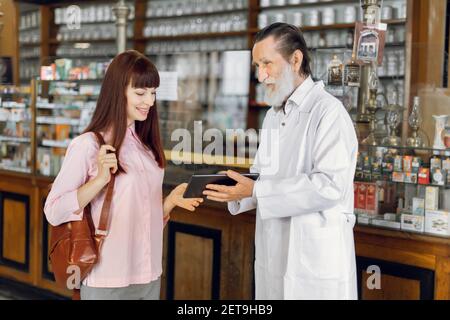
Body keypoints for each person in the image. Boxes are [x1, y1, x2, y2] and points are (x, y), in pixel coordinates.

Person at [204, 23, 358, 300]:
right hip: (275, 248)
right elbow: (264, 175)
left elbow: (329, 186)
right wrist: (236, 188)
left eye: (267, 64)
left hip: (315, 256)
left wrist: (255, 191)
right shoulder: (275, 114)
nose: (261, 75)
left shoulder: (328, 112)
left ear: (295, 60)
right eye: (256, 66)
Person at [44, 50, 203, 300]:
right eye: (140, 93)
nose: (149, 102)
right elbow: (53, 210)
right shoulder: (88, 145)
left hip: (149, 275)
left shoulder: (147, 147)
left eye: (153, 93)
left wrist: (168, 203)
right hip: (107, 278)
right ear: (118, 92)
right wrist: (99, 181)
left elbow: (139, 216)